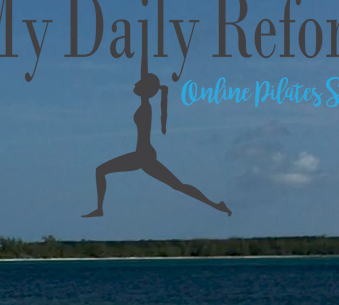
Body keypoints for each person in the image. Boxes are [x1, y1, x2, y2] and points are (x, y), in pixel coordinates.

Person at [83, 52, 230, 217]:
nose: (135, 84)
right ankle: (216, 206)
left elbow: (144, 72)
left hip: (143, 155)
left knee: (101, 170)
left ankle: (99, 209)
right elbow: (144, 72)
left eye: (139, 83)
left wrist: (144, 51)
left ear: (146, 89)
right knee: (178, 185)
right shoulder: (146, 104)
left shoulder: (146, 106)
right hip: (143, 154)